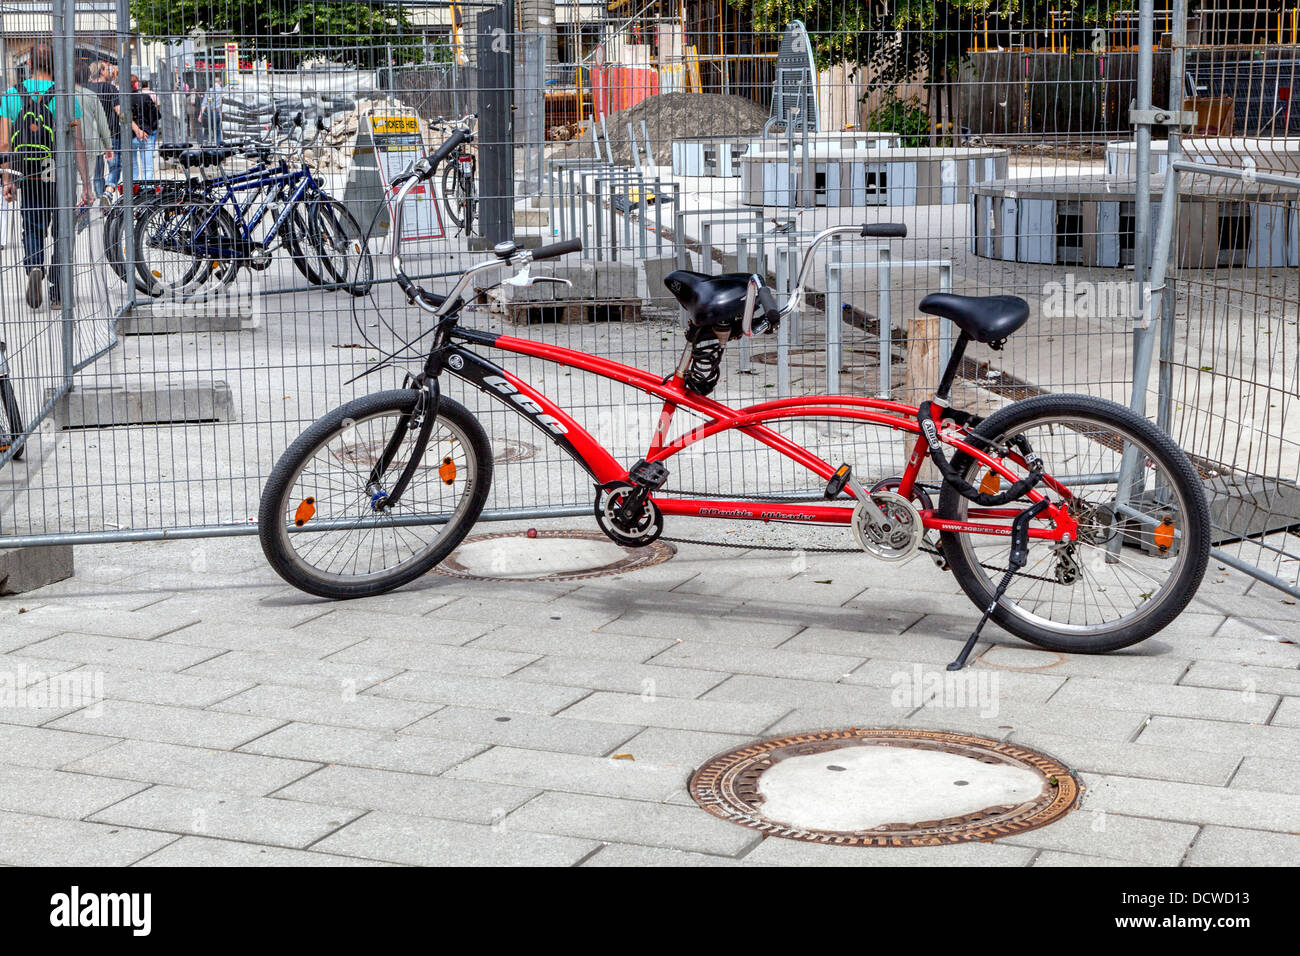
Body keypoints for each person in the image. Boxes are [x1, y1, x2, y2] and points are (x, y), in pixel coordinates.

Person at [0, 40, 92, 310]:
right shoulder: (65, 96)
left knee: (32, 226)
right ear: (55, 66)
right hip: (60, 175)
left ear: (28, 65)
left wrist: (7, 180)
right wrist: (86, 184)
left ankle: (34, 266)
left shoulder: (11, 96)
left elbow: (4, 144)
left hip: (28, 176)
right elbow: (78, 142)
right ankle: (58, 292)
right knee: (64, 232)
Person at [74, 60, 112, 201]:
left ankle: (71, 206)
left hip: (68, 143)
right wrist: (108, 145)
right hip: (89, 143)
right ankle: (84, 205)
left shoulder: (63, 95)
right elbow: (102, 122)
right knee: (87, 177)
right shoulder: (90, 95)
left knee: (72, 181)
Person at [86, 61, 120, 191]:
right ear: (101, 71)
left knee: (97, 172)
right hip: (111, 132)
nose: (110, 72)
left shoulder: (86, 88)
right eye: (107, 70)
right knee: (115, 166)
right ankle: (109, 190)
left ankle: (100, 200)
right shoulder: (110, 88)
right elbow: (119, 110)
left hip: (92, 134)